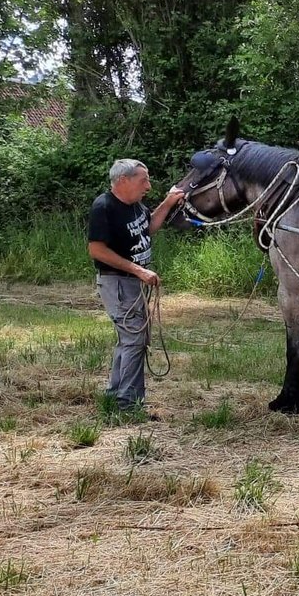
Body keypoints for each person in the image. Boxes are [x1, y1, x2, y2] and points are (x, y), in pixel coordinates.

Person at [87, 159, 185, 416]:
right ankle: (128, 405)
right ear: (123, 181)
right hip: (117, 283)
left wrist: (168, 202)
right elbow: (97, 250)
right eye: (143, 180)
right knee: (134, 339)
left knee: (130, 339)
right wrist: (138, 270)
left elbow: (147, 227)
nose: (148, 186)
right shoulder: (105, 207)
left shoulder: (136, 206)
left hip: (132, 283)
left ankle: (116, 396)